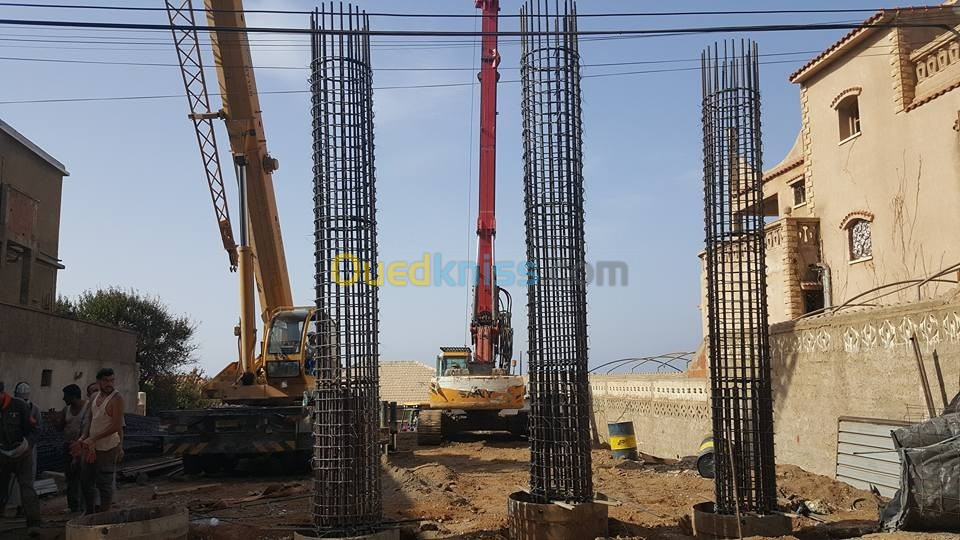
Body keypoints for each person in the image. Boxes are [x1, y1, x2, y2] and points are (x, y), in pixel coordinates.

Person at [80, 368, 124, 513]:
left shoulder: (117, 399)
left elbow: (116, 426)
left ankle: (104, 516)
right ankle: (89, 512)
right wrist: (84, 437)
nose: (109, 384)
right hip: (91, 447)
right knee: (86, 481)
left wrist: (94, 438)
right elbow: (90, 420)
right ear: (99, 381)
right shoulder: (94, 397)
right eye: (106, 381)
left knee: (104, 484)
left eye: (112, 380)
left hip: (107, 447)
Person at [0, 380, 41, 533]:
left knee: (27, 488)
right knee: (1, 488)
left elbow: (35, 430)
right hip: (2, 454)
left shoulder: (19, 406)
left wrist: (27, 445)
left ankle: (34, 524)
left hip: (22, 454)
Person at [56, 384, 87, 513]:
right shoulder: (66, 410)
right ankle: (73, 506)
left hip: (83, 446)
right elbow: (60, 427)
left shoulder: (87, 408)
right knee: (70, 477)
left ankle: (84, 506)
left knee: (83, 476)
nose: (63, 399)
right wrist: (54, 420)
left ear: (73, 396)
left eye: (65, 396)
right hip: (68, 446)